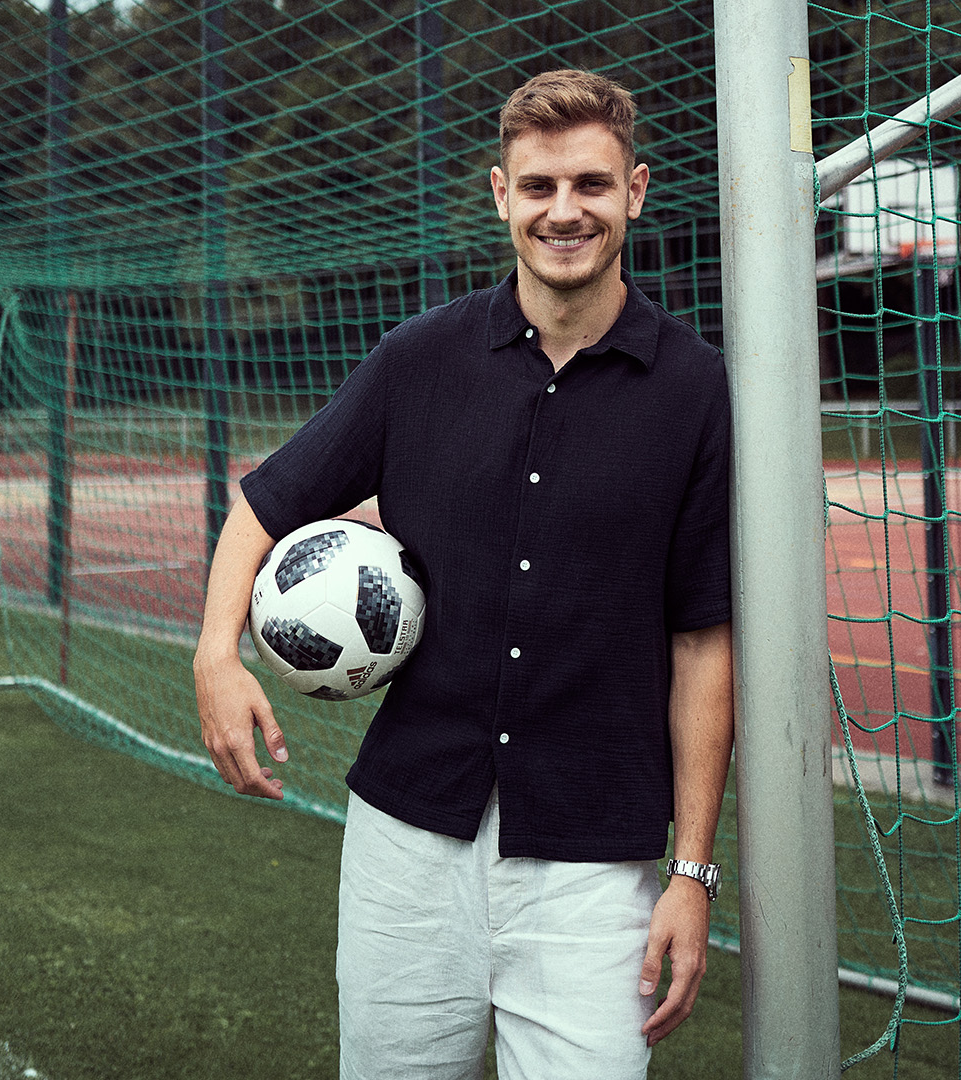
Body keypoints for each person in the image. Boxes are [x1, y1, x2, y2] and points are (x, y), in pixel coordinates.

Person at [192, 68, 735, 1079]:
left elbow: (703, 642)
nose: (563, 211)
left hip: (592, 855)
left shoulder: (697, 392)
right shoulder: (419, 360)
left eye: (590, 184)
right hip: (408, 835)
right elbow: (263, 507)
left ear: (637, 191)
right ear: (500, 194)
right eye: (538, 188)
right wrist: (215, 654)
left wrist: (693, 872)